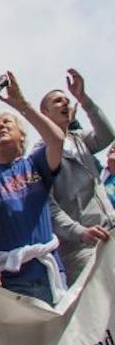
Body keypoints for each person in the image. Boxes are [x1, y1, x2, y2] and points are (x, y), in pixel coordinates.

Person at [0, 73, 66, 304]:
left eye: (7, 123)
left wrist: (22, 105)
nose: (0, 125)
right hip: (12, 281)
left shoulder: (35, 163)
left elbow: (57, 140)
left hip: (46, 271)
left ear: (22, 136)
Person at [36, 69, 114, 283]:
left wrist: (84, 99)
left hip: (111, 233)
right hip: (82, 247)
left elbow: (107, 135)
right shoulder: (40, 154)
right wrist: (80, 231)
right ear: (44, 114)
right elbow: (49, 207)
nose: (65, 103)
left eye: (67, 100)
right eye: (57, 101)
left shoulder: (79, 139)